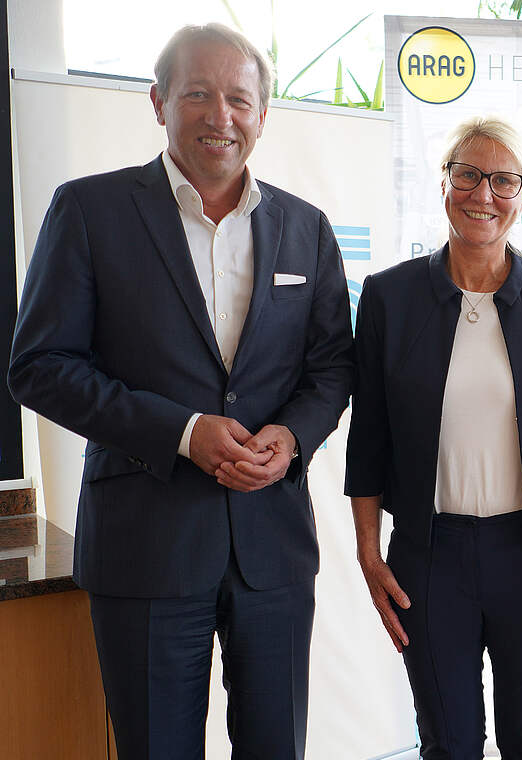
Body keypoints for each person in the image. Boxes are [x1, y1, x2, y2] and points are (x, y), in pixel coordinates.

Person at [7, 23, 353, 759]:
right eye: (197, 94)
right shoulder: (90, 212)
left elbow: (331, 368)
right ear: (159, 102)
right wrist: (183, 431)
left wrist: (291, 439)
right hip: (146, 545)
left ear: (263, 115)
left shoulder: (305, 228)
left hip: (273, 551)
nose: (219, 116)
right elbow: (39, 365)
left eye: (238, 98)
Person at [345, 115, 522, 760]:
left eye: (503, 180)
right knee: (449, 743)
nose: (482, 194)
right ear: (443, 184)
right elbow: (369, 432)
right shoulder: (390, 296)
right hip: (428, 557)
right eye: (467, 173)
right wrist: (368, 551)